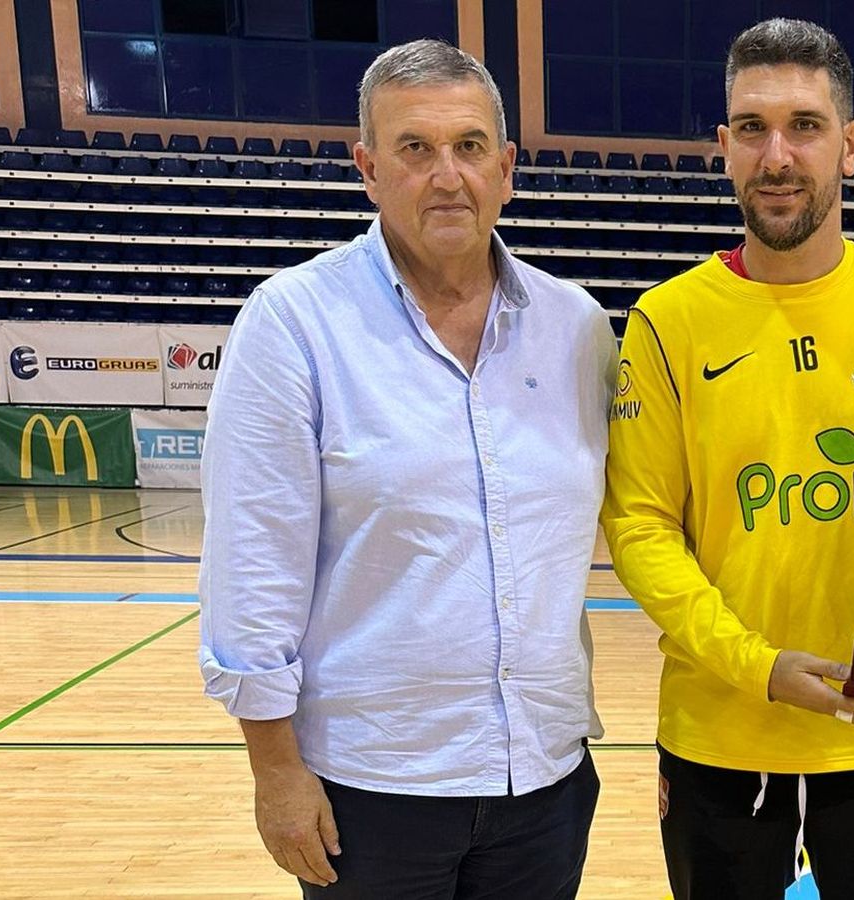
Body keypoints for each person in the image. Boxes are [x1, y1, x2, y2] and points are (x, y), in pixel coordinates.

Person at [600, 18, 854, 900]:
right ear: (724, 147)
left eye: (805, 126)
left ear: (851, 145)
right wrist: (758, 666)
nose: (777, 155)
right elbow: (638, 528)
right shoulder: (667, 323)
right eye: (752, 128)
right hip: (721, 730)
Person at [198, 39, 613, 899]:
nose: (446, 175)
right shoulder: (293, 323)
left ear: (507, 168)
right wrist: (275, 773)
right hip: (371, 788)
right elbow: (252, 563)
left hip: (543, 778)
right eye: (414, 149)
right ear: (369, 169)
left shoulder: (576, 327)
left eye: (468, 147)